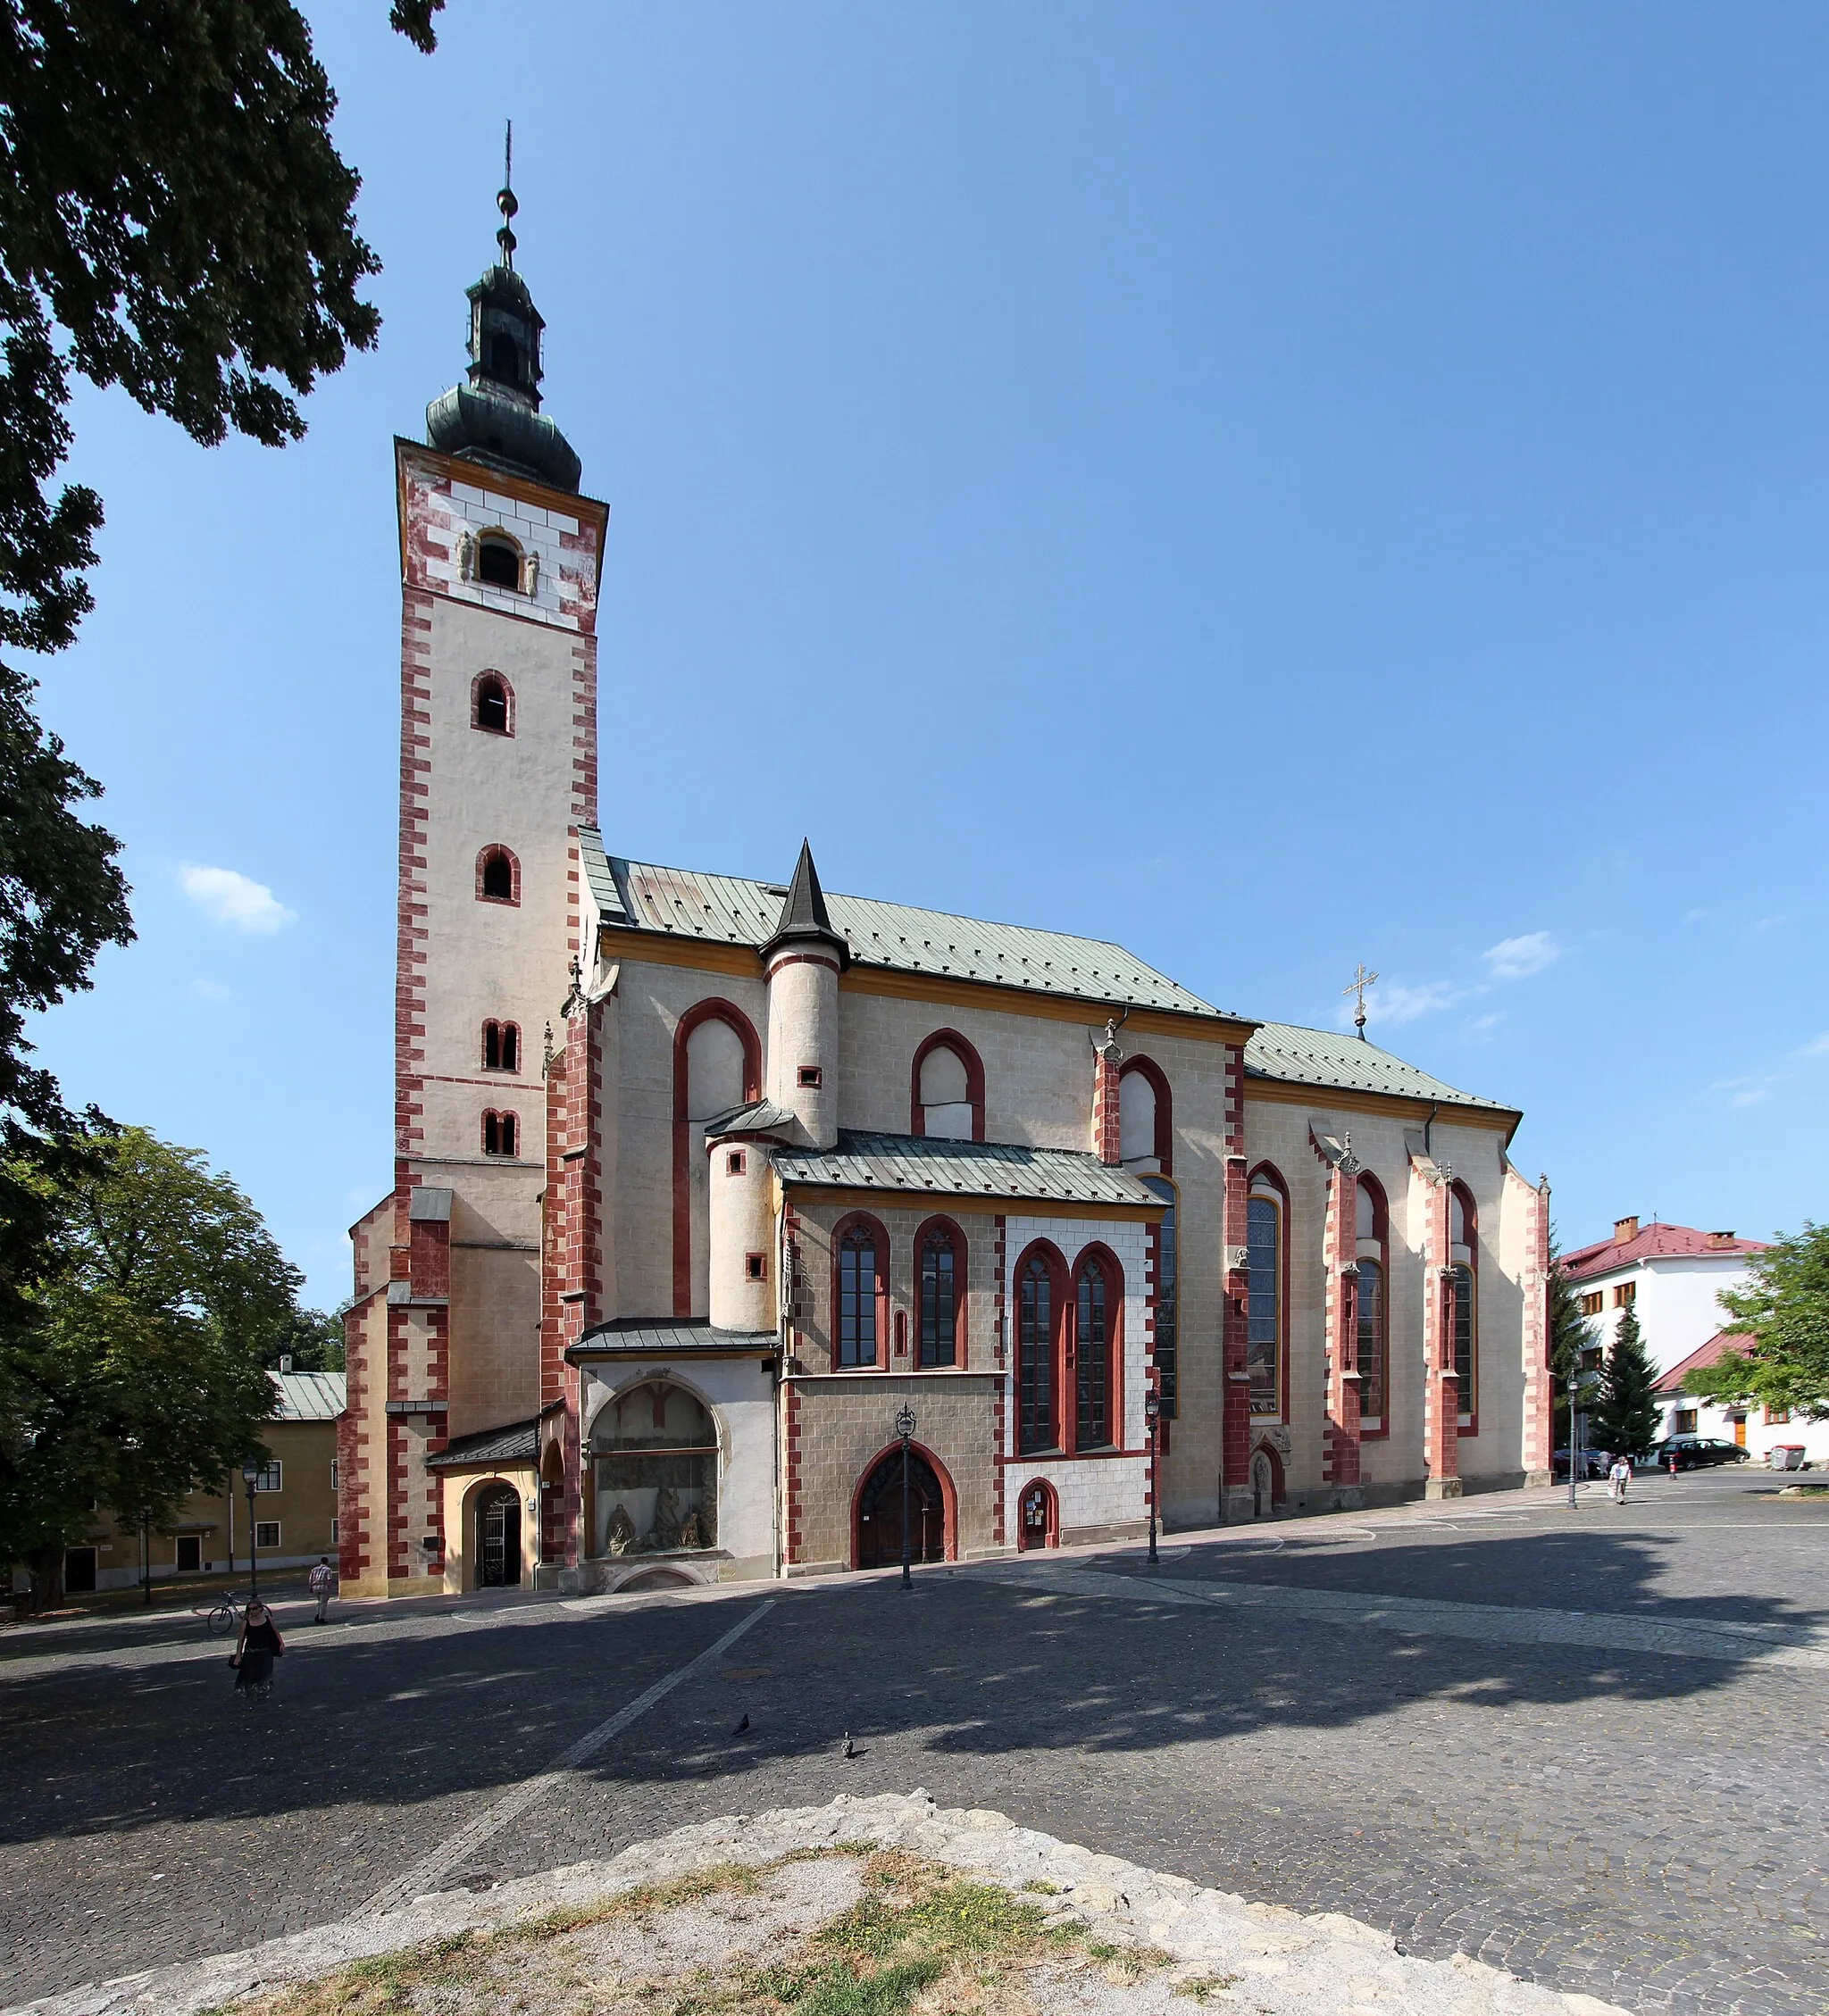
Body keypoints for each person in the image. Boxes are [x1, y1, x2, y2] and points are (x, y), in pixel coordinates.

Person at [230, 1597, 284, 1701]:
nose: (252, 1611)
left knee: (266, 1673)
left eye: (254, 1608)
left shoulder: (268, 1619)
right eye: (249, 1609)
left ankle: (264, 1693)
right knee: (249, 1675)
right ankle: (249, 1693)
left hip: (265, 1652)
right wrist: (238, 1655)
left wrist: (281, 1643)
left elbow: (275, 1631)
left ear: (260, 1609)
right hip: (251, 1653)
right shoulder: (246, 1622)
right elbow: (241, 1639)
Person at [307, 1556, 336, 1624]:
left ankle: (317, 1614)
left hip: (315, 1587)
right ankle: (321, 1618)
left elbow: (310, 1579)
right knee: (323, 1603)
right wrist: (330, 1588)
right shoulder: (328, 1569)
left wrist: (310, 1587)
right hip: (324, 1587)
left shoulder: (314, 1569)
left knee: (319, 1601)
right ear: (327, 1562)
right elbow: (329, 1580)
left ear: (320, 1562)